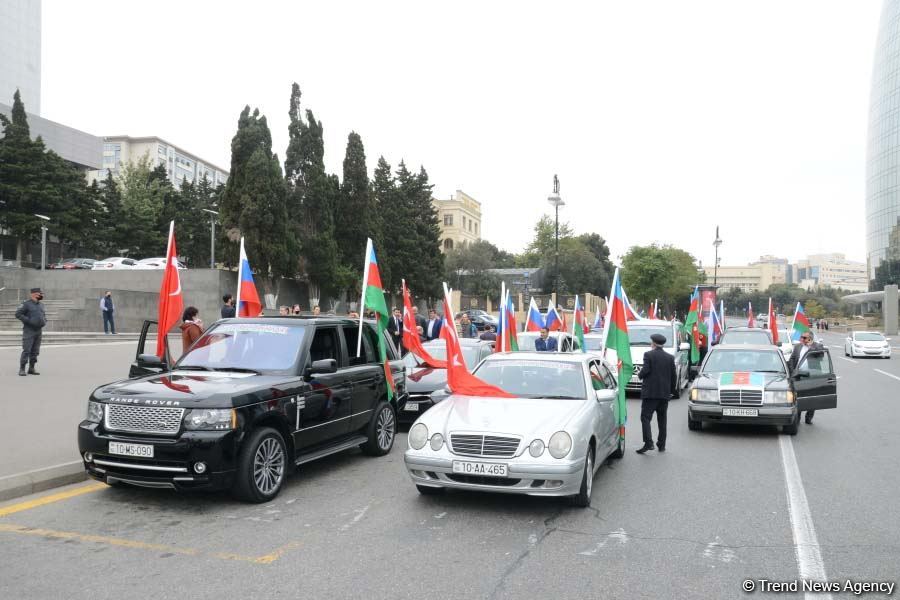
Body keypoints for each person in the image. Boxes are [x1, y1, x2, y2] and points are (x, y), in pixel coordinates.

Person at [636, 333, 677, 454]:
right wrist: (671, 391)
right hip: (664, 394)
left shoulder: (648, 354)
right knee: (662, 420)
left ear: (653, 343)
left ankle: (649, 443)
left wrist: (640, 374)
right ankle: (662, 444)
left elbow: (646, 370)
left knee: (645, 418)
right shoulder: (670, 357)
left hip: (650, 394)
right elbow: (673, 376)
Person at [787, 331, 825, 424]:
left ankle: (809, 417)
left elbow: (820, 356)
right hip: (799, 375)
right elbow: (792, 359)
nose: (802, 339)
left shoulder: (817, 346)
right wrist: (793, 371)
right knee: (798, 397)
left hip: (812, 376)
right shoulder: (797, 347)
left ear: (810, 339)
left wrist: (811, 346)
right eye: (801, 337)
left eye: (804, 337)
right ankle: (798, 418)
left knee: (812, 397)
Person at [16, 287, 46, 376]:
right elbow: (18, 314)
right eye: (39, 294)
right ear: (33, 294)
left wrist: (44, 321)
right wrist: (29, 321)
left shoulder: (41, 305)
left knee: (35, 351)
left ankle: (31, 368)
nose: (41, 295)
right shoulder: (26, 304)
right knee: (27, 350)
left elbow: (43, 315)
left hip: (38, 330)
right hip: (29, 330)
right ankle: (22, 369)